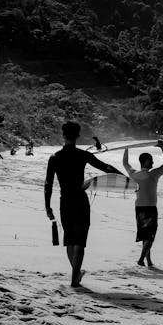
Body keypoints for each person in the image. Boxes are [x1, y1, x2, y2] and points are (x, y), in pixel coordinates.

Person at [45, 121, 122, 288]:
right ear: (78, 136)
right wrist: (124, 178)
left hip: (65, 202)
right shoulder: (82, 155)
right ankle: (74, 278)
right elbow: (105, 167)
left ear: (63, 135)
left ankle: (76, 274)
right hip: (80, 201)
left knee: (69, 240)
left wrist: (47, 207)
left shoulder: (55, 158)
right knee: (79, 241)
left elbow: (48, 184)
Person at [123, 140, 163, 267]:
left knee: (145, 235)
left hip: (139, 207)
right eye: (151, 160)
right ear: (146, 161)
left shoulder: (133, 174)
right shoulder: (153, 175)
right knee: (150, 235)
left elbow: (125, 163)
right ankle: (141, 259)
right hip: (150, 208)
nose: (153, 162)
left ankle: (148, 260)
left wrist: (126, 148)